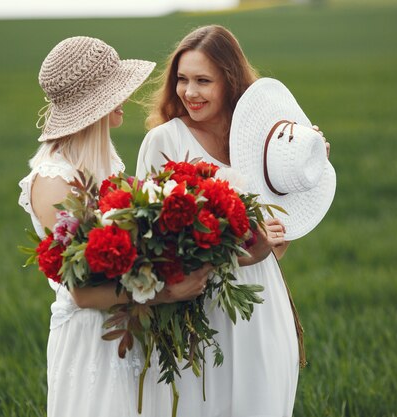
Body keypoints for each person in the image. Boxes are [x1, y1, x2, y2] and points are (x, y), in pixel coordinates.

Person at [136, 25, 331, 417]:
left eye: (203, 81)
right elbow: (152, 245)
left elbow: (276, 245)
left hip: (261, 305)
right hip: (199, 310)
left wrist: (302, 170)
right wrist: (238, 254)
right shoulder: (165, 142)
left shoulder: (262, 144)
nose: (189, 92)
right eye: (182, 80)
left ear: (230, 81)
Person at [18, 36, 210, 417]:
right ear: (94, 104)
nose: (126, 95)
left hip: (129, 331)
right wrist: (169, 293)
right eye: (115, 89)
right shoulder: (55, 179)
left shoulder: (109, 166)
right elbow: (83, 293)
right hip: (91, 342)